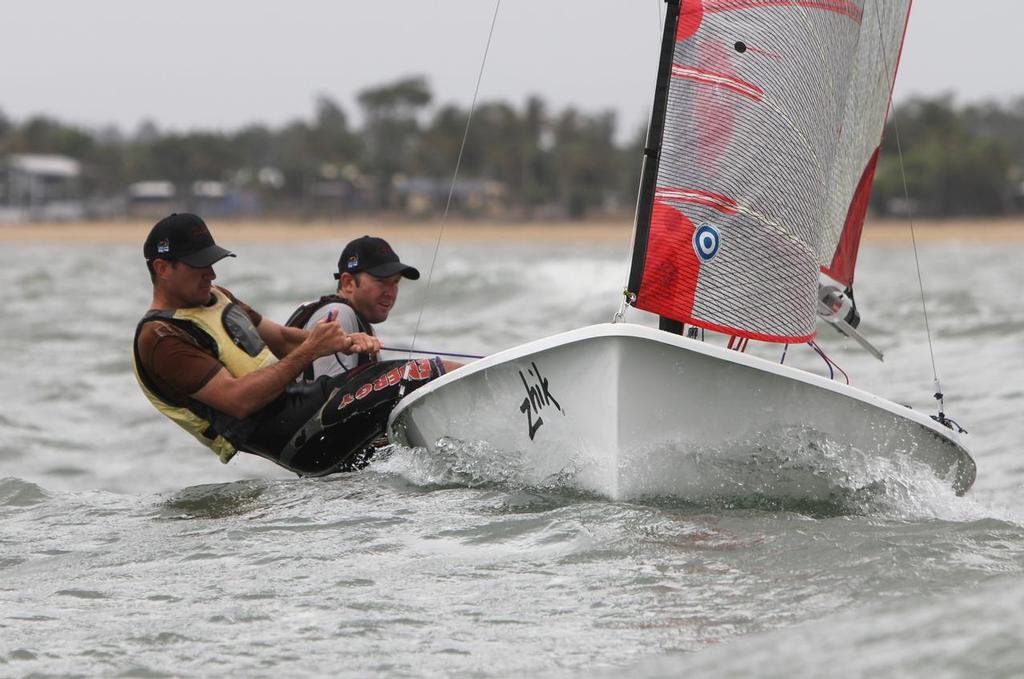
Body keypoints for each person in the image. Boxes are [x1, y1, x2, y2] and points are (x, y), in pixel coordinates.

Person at [132, 213, 446, 476]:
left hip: (302, 406)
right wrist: (312, 349)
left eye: (212, 262)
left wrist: (342, 342)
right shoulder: (162, 338)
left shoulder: (216, 296)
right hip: (294, 438)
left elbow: (282, 337)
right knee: (408, 374)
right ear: (162, 269)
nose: (211, 273)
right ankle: (485, 374)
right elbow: (237, 401)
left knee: (394, 384)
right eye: (199, 265)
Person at [285, 235, 418, 381]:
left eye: (396, 282)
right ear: (348, 283)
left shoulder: (355, 319)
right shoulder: (339, 314)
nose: (391, 293)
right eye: (381, 281)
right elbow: (330, 397)